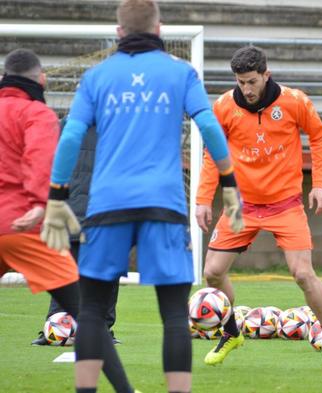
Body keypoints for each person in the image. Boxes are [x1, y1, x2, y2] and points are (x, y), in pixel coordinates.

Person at [40, 1, 242, 392]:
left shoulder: (97, 77)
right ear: (160, 28)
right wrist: (230, 184)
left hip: (106, 205)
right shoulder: (180, 72)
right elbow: (210, 127)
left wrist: (56, 197)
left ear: (118, 33)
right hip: (163, 205)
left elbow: (69, 137)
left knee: (94, 311)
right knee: (171, 314)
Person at [195, 45, 322, 372]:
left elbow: (319, 137)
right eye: (240, 82)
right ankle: (232, 332)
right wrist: (204, 199)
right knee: (212, 272)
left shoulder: (294, 101)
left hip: (285, 203)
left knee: (303, 273)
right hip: (240, 205)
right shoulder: (223, 107)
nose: (246, 89)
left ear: (266, 75)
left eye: (251, 81)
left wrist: (320, 183)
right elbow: (212, 155)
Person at [0, 48, 134, 393]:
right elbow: (41, 161)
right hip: (36, 221)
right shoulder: (43, 118)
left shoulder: (60, 123)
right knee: (91, 302)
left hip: (57, 218)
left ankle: (54, 327)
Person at [32, 126, 122, 346]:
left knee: (77, 272)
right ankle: (63, 328)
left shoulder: (68, 126)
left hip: (90, 210)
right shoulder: (114, 126)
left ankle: (88, 328)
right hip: (84, 210)